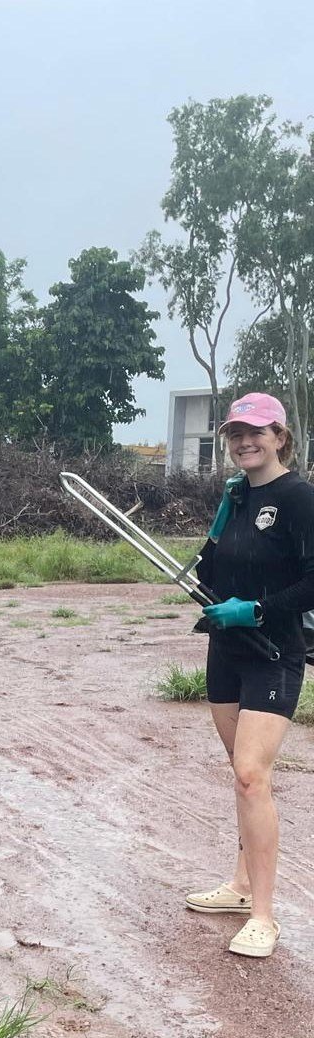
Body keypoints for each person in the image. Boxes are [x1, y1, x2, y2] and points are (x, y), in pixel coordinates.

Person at [186, 392, 314, 958]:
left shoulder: (299, 497)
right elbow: (209, 572)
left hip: (273, 648)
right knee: (243, 778)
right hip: (226, 652)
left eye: (256, 432)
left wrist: (257, 610)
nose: (245, 441)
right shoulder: (237, 497)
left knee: (250, 776)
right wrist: (216, 526)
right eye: (235, 433)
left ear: (280, 437)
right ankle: (239, 887)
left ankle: (264, 915)